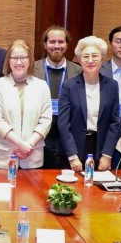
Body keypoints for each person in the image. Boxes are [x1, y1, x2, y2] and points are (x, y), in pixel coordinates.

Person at [58, 36, 120, 172]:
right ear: (79, 60)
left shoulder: (112, 85)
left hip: (100, 147)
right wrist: (72, 156)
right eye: (85, 56)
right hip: (74, 148)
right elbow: (63, 123)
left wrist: (107, 154)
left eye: (95, 56)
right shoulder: (69, 85)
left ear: (103, 59)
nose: (90, 60)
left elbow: (114, 122)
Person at [0, 40, 52, 169]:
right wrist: (21, 145)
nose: (18, 62)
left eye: (23, 57)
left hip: (33, 156)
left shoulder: (42, 86)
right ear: (8, 61)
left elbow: (46, 121)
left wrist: (29, 145)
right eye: (14, 58)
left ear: (30, 60)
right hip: (4, 157)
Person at [33, 25, 82, 169]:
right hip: (39, 136)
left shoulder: (78, 71)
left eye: (61, 42)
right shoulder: (32, 70)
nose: (56, 46)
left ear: (67, 45)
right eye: (52, 42)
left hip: (68, 137)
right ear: (45, 44)